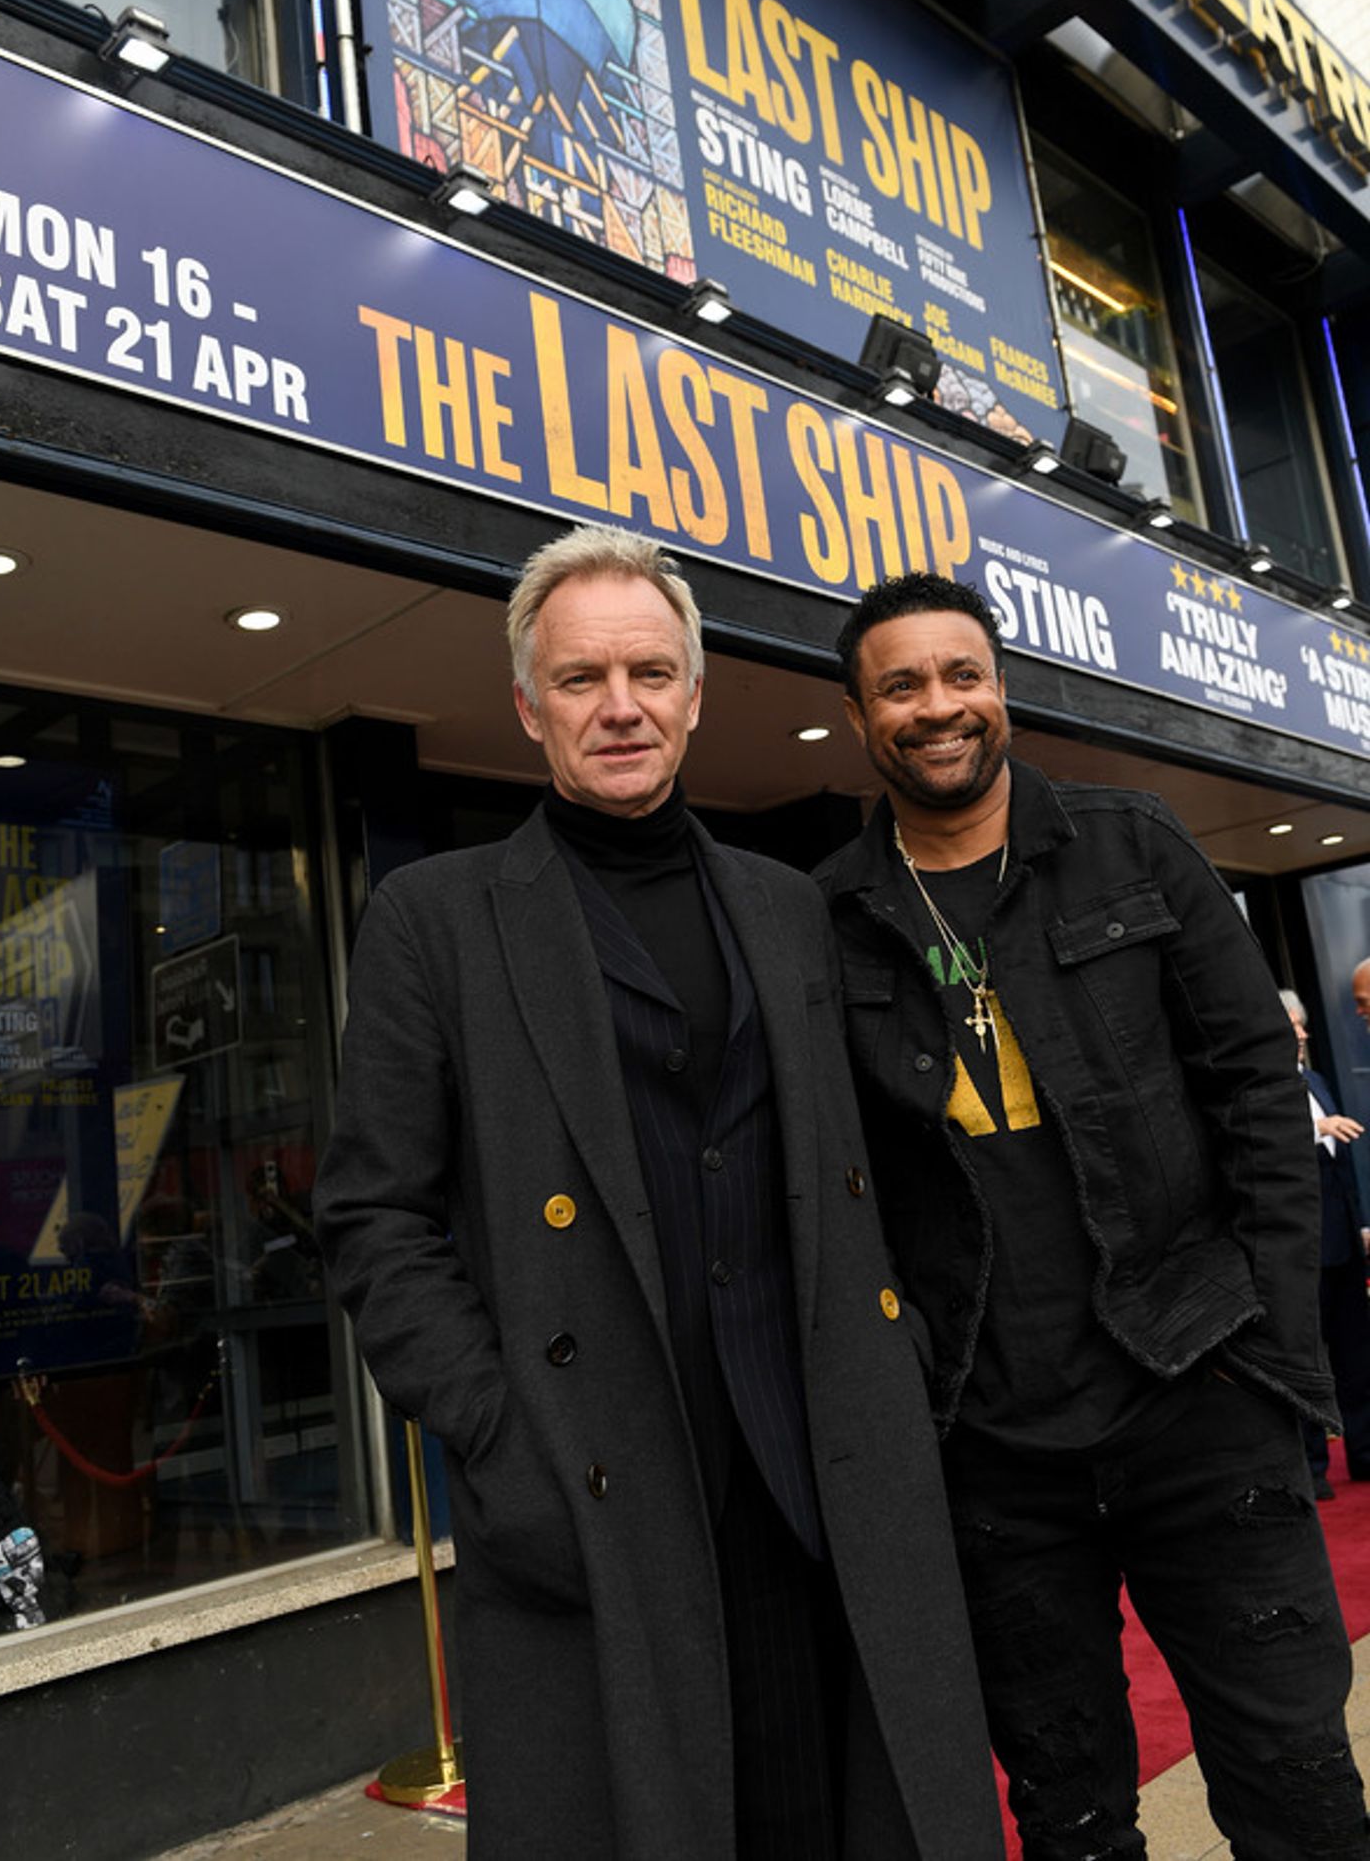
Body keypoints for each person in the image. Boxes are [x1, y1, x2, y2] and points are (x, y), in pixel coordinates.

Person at [313, 527, 1001, 1861]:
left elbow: (894, 1165)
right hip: (603, 1481)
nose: (618, 706)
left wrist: (903, 1362)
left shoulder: (788, 908)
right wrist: (498, 1438)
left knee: (836, 1816)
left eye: (649, 672)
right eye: (578, 681)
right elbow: (373, 1218)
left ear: (697, 695)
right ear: (527, 706)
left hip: (819, 1479)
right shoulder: (436, 919)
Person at [814, 569, 1370, 1861]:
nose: (937, 707)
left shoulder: (1136, 845)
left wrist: (1267, 1351)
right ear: (859, 718)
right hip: (992, 1451)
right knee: (1068, 1818)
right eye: (901, 686)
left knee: (1296, 1787)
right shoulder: (830, 918)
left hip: (1198, 1401)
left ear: (1002, 689)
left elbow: (1255, 1094)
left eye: (961, 676)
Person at [1280, 988, 1370, 1498]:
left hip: (1344, 1245)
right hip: (1303, 1252)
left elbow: (1341, 1168)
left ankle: (1364, 1453)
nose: (1304, 1034)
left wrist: (1361, 1223)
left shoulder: (1316, 1079)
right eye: (1294, 1026)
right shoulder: (1265, 1092)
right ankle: (1312, 1468)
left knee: (1358, 1358)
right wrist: (1316, 1127)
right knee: (1309, 1362)